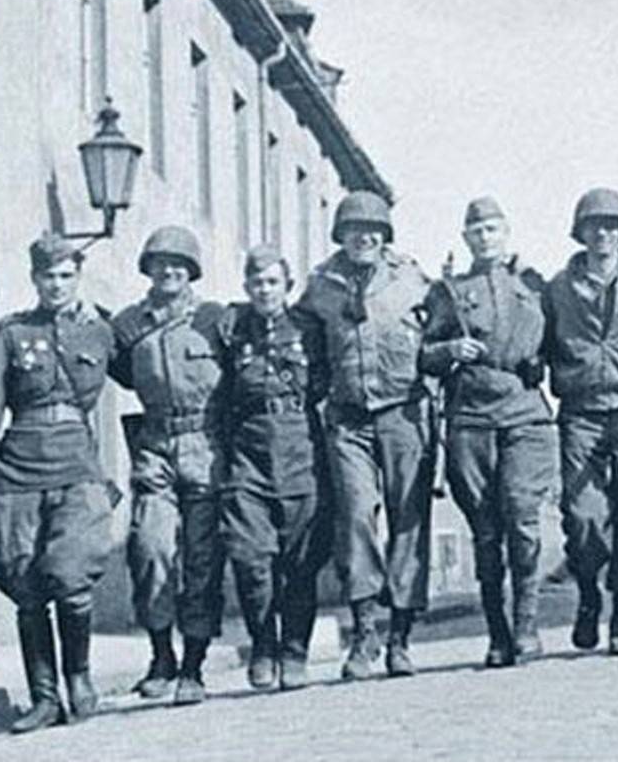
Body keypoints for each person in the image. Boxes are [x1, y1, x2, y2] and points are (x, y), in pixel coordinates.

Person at [0, 235, 117, 733]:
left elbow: (146, 367)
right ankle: (45, 698)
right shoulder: (13, 333)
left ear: (78, 278)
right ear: (34, 279)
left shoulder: (101, 331)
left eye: (66, 276)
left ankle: (79, 676)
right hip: (19, 467)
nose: (57, 285)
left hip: (76, 464)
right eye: (48, 276)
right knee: (24, 579)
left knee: (71, 573)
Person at [296, 192, 434, 679]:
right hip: (349, 418)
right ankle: (364, 630)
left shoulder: (412, 280)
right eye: (354, 231)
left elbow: (441, 337)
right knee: (355, 516)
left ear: (385, 235)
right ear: (341, 235)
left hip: (404, 414)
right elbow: (304, 349)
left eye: (373, 230)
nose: (365, 238)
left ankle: (400, 637)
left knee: (408, 521)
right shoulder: (321, 286)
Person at [420, 196, 555, 667]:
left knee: (522, 516)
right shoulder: (450, 292)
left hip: (524, 411)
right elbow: (425, 354)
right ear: (465, 238)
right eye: (476, 232)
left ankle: (527, 626)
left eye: (492, 229)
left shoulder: (535, 287)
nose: (485, 238)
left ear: (506, 232)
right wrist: (449, 350)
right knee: (485, 529)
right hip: (471, 417)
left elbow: (562, 342)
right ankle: (498, 634)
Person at [543, 187, 618, 656]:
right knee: (583, 516)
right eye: (594, 226)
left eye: (612, 225)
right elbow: (538, 340)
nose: (603, 234)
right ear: (580, 233)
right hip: (581, 412)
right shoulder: (558, 288)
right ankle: (589, 594)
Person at [110, 226, 227, 705]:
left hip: (206, 443)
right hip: (155, 444)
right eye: (160, 264)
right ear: (148, 270)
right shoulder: (128, 326)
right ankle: (161, 655)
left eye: (178, 264)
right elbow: (110, 368)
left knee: (202, 557)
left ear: (191, 271)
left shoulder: (215, 320)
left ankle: (193, 665)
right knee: (150, 546)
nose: (169, 271)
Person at [213, 246, 332, 691]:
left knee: (301, 560)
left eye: (272, 283)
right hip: (248, 452)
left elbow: (326, 380)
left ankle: (295, 651)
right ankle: (263, 645)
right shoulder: (232, 330)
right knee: (250, 558)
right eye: (256, 283)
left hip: (301, 448)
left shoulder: (309, 329)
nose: (264, 291)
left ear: (288, 286)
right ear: (246, 287)